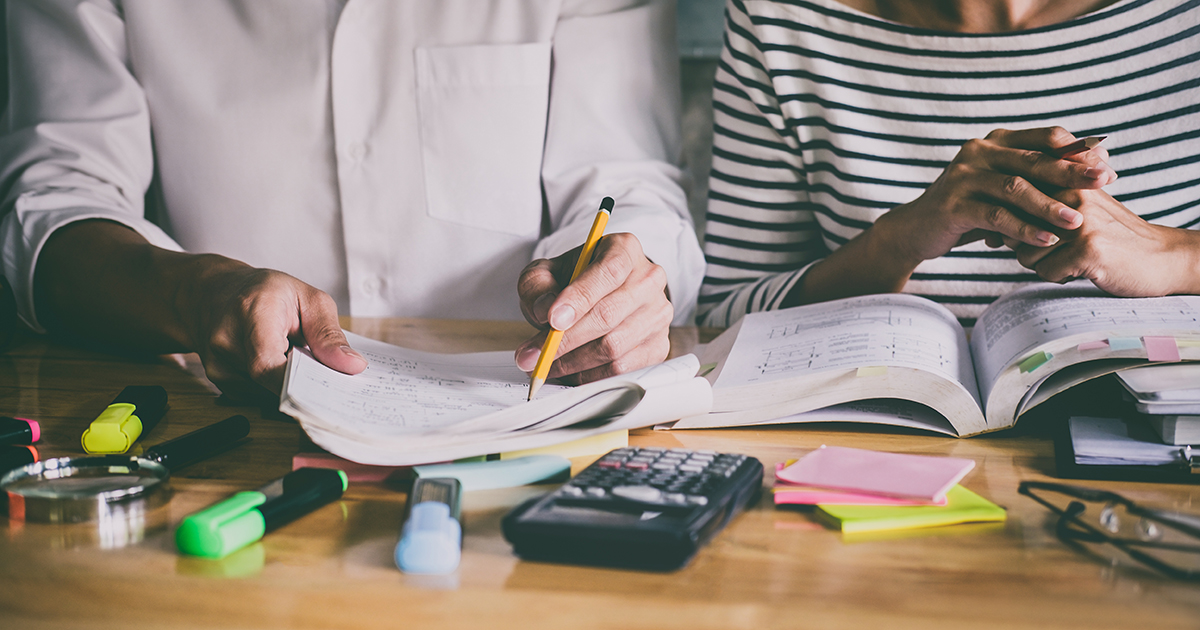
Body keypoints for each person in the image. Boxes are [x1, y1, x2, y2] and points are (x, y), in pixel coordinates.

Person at [0, 0, 705, 399]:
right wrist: (190, 292)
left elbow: (625, 181)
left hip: (529, 424)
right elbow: (52, 209)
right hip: (222, 430)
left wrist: (626, 278)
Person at [697, 0, 1200, 329]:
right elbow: (723, 322)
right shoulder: (779, 22)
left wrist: (1175, 255)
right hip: (879, 448)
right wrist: (894, 243)